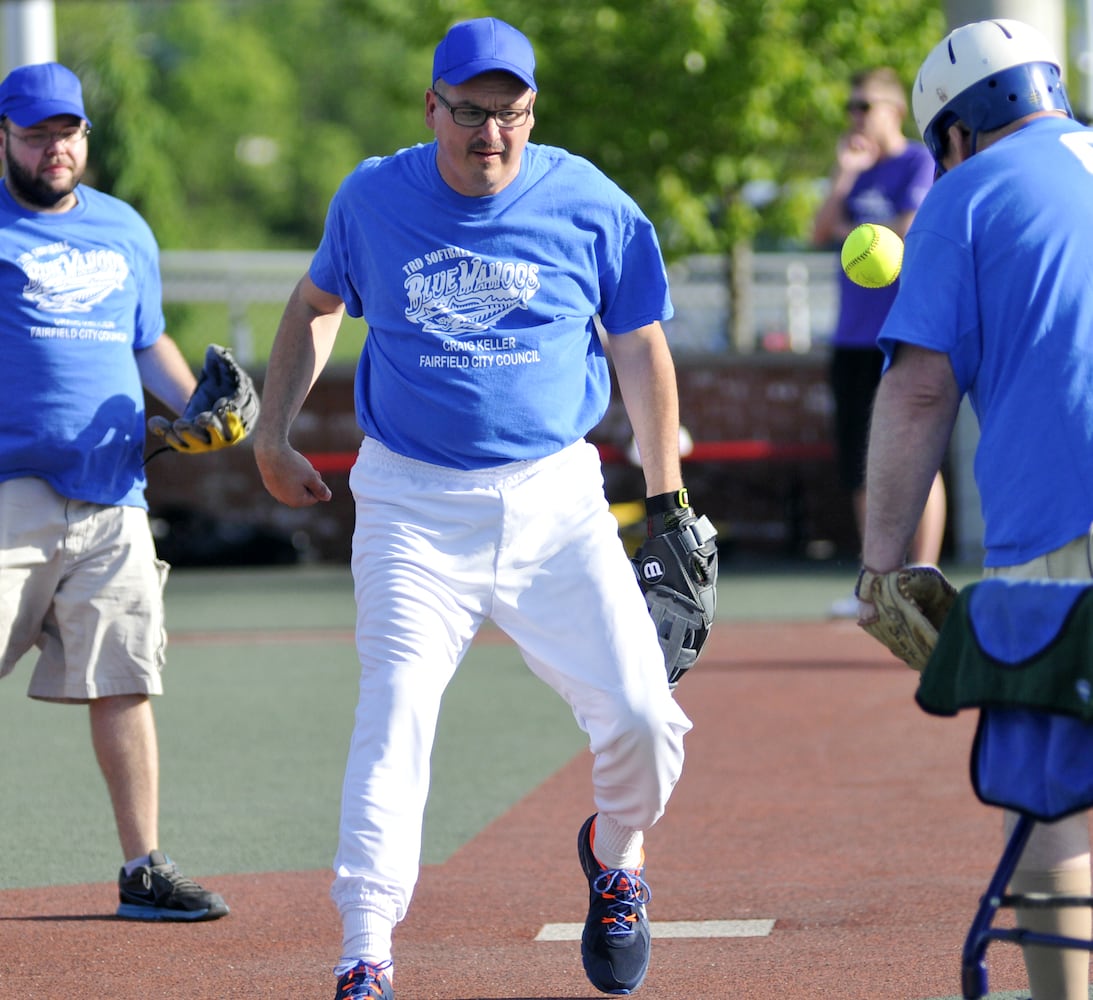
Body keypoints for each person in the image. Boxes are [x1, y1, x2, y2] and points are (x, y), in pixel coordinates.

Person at [253, 17, 698, 999]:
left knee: (642, 718)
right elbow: (317, 303)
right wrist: (272, 433)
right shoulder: (374, 197)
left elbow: (638, 343)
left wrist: (664, 498)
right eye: (469, 112)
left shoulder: (587, 200)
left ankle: (616, 860)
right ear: (432, 107)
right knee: (396, 710)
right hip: (413, 502)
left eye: (511, 114)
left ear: (531, 112)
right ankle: (364, 950)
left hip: (555, 499)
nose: (489, 134)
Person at [856, 19, 1092, 1000]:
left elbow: (917, 394)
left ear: (954, 132)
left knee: (1049, 790)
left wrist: (878, 565)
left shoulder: (963, 193)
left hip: (1063, 521)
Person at [0, 61, 239, 921]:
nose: (53, 148)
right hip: (10, 490)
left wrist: (200, 407)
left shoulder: (123, 229)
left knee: (124, 683)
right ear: (4, 138)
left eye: (66, 132)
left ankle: (143, 867)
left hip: (113, 493)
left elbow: (148, 346)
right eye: (34, 133)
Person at [811, 66, 947, 617]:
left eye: (865, 105)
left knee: (918, 452)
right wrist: (844, 176)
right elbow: (819, 232)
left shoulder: (917, 161)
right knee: (861, 461)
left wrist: (855, 230)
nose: (856, 116)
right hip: (851, 336)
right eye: (851, 106)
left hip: (902, 331)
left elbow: (901, 232)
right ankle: (876, 584)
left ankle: (926, 571)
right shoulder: (858, 171)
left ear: (893, 109)